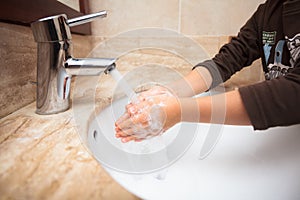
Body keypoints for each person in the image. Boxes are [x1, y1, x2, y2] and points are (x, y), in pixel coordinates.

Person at [115, 0, 300, 143]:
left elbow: (293, 92)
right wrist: (172, 93)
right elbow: (228, 59)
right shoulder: (269, 10)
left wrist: (177, 111)